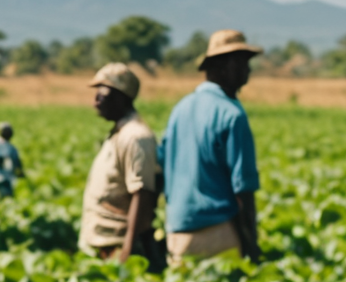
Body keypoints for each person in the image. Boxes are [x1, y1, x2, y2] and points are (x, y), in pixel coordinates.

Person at [159, 30, 263, 264]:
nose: (248, 70)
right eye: (242, 62)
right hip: (218, 235)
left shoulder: (180, 109)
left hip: (177, 233)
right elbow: (243, 190)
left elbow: (161, 164)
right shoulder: (232, 115)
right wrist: (251, 243)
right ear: (222, 66)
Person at [78, 63, 161, 262]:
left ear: (120, 96)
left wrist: (127, 251)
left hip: (118, 245)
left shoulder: (135, 137)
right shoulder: (120, 133)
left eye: (103, 92)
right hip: (104, 242)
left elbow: (142, 195)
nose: (96, 98)